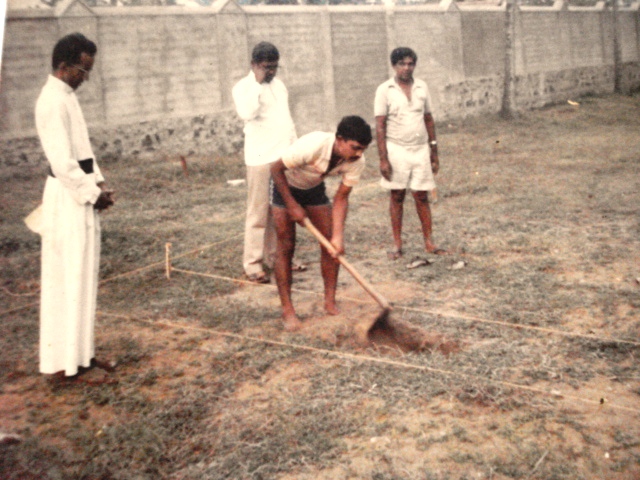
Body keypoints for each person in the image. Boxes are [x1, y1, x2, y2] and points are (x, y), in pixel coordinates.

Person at [36, 33, 115, 382]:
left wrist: (99, 185)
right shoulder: (51, 101)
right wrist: (91, 194)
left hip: (80, 194)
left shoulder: (67, 96)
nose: (85, 78)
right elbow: (63, 163)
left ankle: (83, 356)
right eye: (82, 71)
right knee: (67, 279)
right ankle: (65, 366)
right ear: (64, 66)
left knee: (82, 277)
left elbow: (83, 153)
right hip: (66, 197)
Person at [270, 116, 372, 332]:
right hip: (284, 185)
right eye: (355, 147)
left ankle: (329, 302)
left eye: (363, 149)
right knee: (286, 245)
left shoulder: (357, 161)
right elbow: (275, 169)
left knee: (330, 244)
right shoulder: (314, 144)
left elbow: (341, 198)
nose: (359, 154)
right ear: (340, 140)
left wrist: (338, 236)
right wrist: (292, 205)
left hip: (313, 189)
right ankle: (288, 310)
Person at [232, 41, 305, 284]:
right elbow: (247, 113)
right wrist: (257, 82)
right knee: (259, 213)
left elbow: (287, 120)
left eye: (274, 67)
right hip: (260, 158)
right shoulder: (243, 87)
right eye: (266, 67)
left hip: (283, 157)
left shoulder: (279, 85)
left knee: (280, 211)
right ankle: (253, 264)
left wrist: (295, 151)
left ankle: (278, 258)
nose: (271, 71)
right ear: (254, 65)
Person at [374, 47, 446, 260]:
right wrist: (383, 159)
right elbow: (380, 125)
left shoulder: (422, 86)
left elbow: (428, 119)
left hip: (420, 149)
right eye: (402, 64)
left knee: (421, 195)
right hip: (396, 149)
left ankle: (429, 242)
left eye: (410, 63)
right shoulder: (385, 90)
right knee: (397, 195)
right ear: (394, 66)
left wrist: (434, 151)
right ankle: (397, 244)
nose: (406, 68)